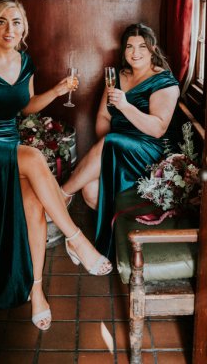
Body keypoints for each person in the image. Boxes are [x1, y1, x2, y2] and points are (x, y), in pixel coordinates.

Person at [0, 0, 112, 329]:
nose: (9, 29)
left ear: (25, 27)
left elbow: (25, 108)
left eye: (17, 22)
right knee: (35, 156)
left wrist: (56, 91)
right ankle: (76, 239)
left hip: (9, 147)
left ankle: (36, 290)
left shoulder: (25, 62)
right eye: (1, 21)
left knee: (34, 204)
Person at [60, 23, 180, 258]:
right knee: (90, 188)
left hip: (149, 151)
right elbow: (103, 116)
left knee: (112, 141)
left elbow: (158, 128)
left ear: (153, 48)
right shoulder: (117, 76)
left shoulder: (164, 82)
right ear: (123, 51)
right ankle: (95, 242)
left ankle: (60, 197)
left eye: (142, 46)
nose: (135, 52)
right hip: (117, 147)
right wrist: (107, 153)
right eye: (129, 47)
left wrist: (124, 107)